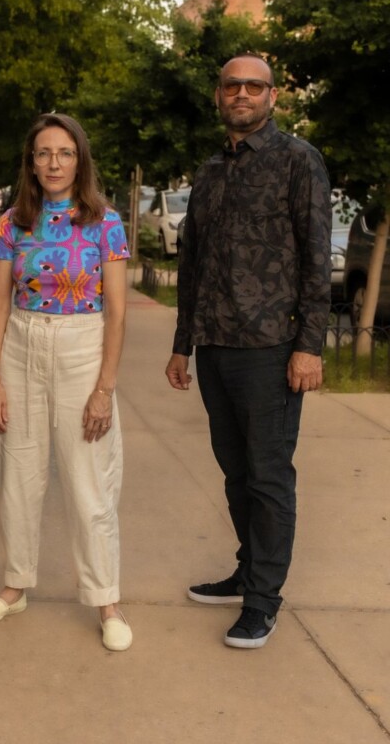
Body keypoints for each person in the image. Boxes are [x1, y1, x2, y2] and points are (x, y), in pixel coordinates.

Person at [165, 54, 331, 649]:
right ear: (218, 95)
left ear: (272, 96)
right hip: (215, 347)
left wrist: (309, 346)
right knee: (236, 473)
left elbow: (316, 258)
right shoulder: (210, 171)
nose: (242, 94)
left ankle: (263, 601)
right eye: (232, 85)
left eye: (254, 86)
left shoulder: (298, 160)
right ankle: (247, 571)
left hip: (270, 349)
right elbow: (192, 263)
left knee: (268, 477)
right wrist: (182, 345)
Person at [0, 113, 132, 653]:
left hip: (82, 348)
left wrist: (104, 388)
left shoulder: (106, 223)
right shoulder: (13, 222)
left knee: (90, 481)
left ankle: (106, 600)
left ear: (79, 159)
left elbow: (117, 313)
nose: (54, 163)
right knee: (17, 473)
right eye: (43, 153)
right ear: (31, 162)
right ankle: (15, 586)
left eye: (64, 152)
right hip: (21, 345)